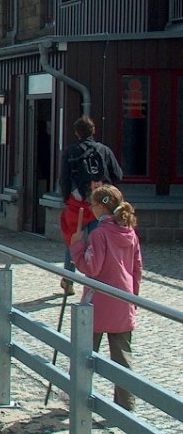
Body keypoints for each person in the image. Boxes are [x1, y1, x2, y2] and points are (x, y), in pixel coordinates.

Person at [69, 184, 142, 411]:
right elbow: (137, 269)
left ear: (102, 206)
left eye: (92, 204)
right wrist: (134, 299)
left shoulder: (100, 234)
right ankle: (126, 405)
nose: (90, 208)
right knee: (122, 358)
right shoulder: (130, 233)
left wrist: (77, 246)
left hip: (98, 302)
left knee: (84, 354)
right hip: (124, 300)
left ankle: (78, 399)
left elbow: (92, 267)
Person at [58, 116, 123, 295]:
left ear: (77, 132)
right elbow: (118, 174)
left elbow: (63, 179)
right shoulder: (104, 150)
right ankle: (95, 282)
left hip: (77, 203)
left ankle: (68, 280)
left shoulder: (70, 151)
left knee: (74, 240)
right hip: (100, 204)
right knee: (98, 241)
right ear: (93, 130)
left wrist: (66, 198)